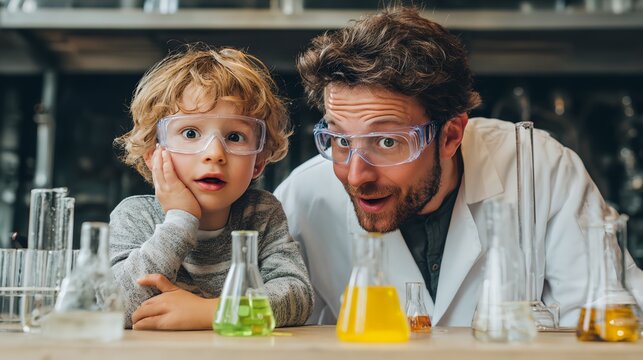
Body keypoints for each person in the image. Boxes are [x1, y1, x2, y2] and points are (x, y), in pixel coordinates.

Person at [274, 6, 643, 327]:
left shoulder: (540, 168)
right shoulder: (303, 197)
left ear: (451, 135)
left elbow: (609, 318)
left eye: (387, 142)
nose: (356, 176)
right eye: (340, 141)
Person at [111, 45, 314, 330]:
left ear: (258, 162)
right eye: (191, 133)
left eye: (234, 136)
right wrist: (180, 221)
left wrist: (212, 312)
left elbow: (297, 296)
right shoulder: (134, 216)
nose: (215, 153)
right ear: (153, 153)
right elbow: (113, 307)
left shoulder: (262, 213)